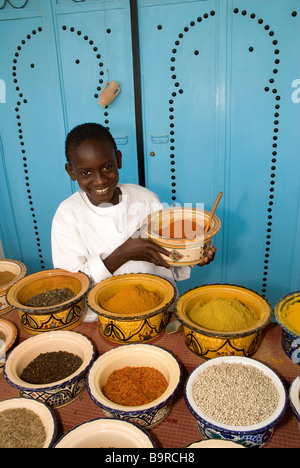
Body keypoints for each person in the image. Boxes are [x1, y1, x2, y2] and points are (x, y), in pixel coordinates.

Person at [51, 123, 216, 320]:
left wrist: (194, 257)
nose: (100, 180)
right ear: (71, 172)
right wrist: (121, 254)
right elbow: (71, 288)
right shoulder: (67, 215)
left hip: (159, 310)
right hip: (104, 321)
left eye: (107, 167)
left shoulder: (146, 198)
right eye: (86, 173)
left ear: (118, 160)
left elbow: (168, 258)